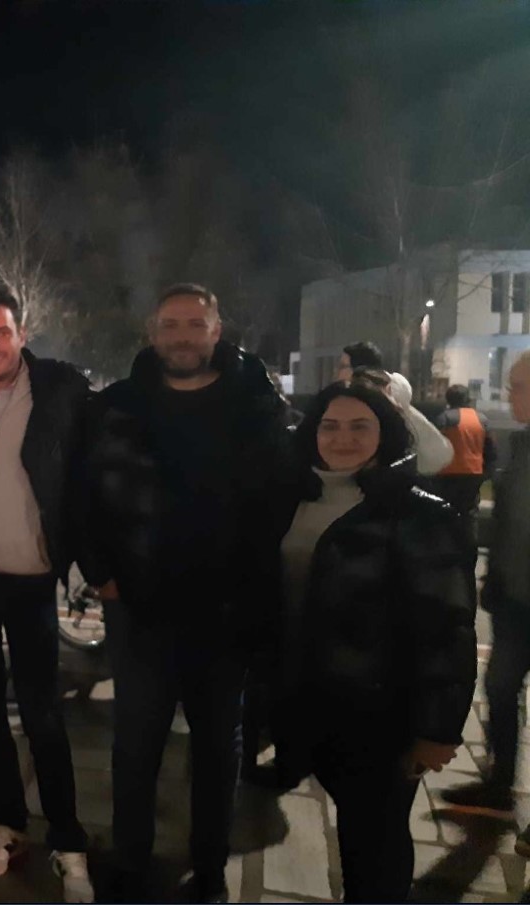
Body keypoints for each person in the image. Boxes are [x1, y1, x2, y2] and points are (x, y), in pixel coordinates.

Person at [79, 284, 289, 903]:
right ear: (152, 332)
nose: (182, 336)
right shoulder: (117, 406)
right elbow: (84, 492)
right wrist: (100, 571)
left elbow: (279, 496)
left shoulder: (255, 406)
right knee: (135, 742)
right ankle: (131, 858)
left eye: (195, 324)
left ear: (217, 331)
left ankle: (211, 866)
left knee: (218, 750)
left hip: (225, 609)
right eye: (170, 325)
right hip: (140, 605)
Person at [270, 380, 474, 902]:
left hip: (382, 712)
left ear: (386, 434)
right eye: (330, 426)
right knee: (355, 828)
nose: (343, 439)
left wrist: (437, 729)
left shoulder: (419, 513)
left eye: (360, 426)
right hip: (313, 697)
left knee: (375, 841)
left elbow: (447, 629)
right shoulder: (294, 495)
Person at [0, 286, 93, 904]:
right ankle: (6, 822)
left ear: (22, 333)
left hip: (30, 575)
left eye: (3, 332)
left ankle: (68, 837)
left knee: (42, 714)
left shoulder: (59, 390)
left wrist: (86, 555)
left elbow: (91, 467)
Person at [442, 352, 530, 845]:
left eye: (519, 386)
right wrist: (494, 575)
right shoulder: (520, 444)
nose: (510, 394)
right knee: (499, 687)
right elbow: (509, 519)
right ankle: (498, 782)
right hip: (515, 598)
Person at [335, 341, 453, 475]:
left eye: (342, 367)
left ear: (361, 370)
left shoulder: (379, 407)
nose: (336, 373)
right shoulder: (397, 402)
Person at [434, 384, 496, 515]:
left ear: (448, 399)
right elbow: (490, 449)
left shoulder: (445, 418)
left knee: (447, 510)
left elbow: (435, 445)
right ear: (467, 399)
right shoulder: (482, 419)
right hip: (474, 472)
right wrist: (487, 471)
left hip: (449, 472)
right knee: (470, 510)